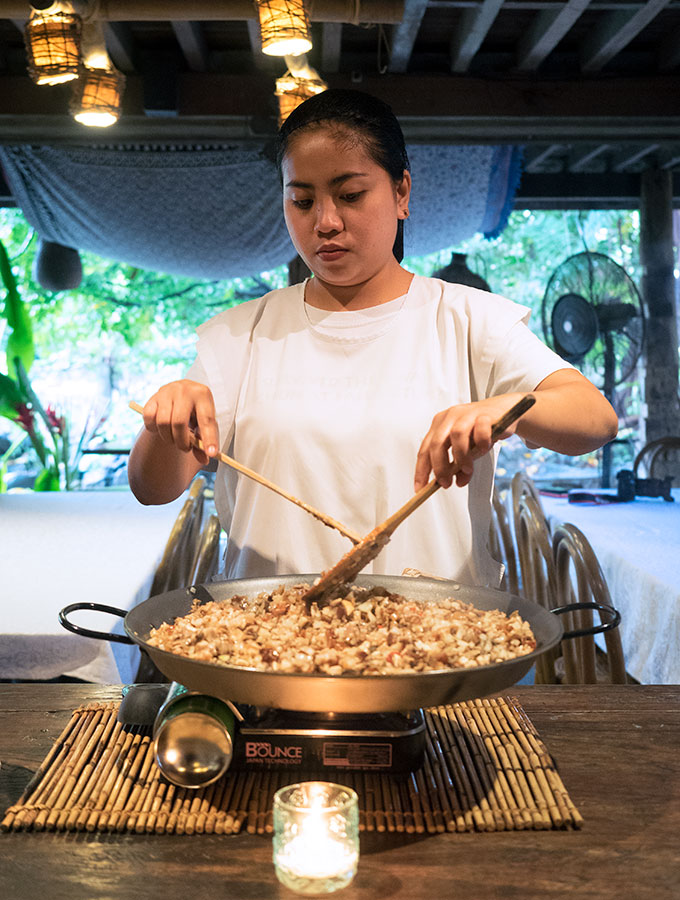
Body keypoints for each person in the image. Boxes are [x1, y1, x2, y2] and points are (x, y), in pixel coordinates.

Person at [128, 89, 618, 587]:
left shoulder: (467, 319)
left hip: (439, 644)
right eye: (302, 200)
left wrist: (507, 409)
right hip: (268, 643)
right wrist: (165, 418)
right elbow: (152, 487)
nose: (325, 222)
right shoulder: (241, 335)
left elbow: (594, 419)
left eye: (350, 195)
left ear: (401, 192)